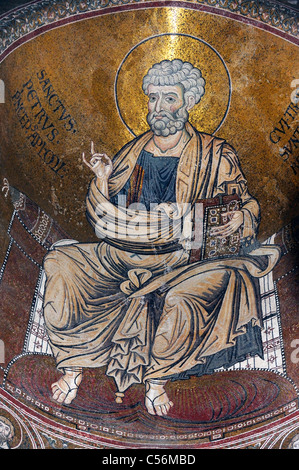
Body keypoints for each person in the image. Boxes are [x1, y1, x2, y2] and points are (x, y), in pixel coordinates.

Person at [43, 59, 280, 417]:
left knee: (198, 291)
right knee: (61, 263)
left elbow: (243, 205)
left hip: (181, 258)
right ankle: (72, 368)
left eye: (170, 98)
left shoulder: (216, 153)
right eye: (153, 98)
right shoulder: (133, 151)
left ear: (187, 103)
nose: (159, 108)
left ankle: (156, 381)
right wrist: (104, 178)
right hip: (122, 252)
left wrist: (239, 219)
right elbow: (103, 212)